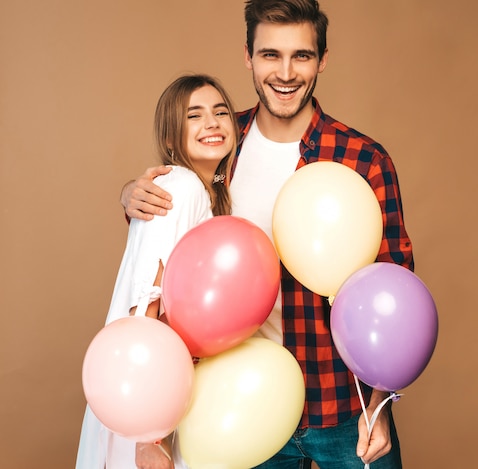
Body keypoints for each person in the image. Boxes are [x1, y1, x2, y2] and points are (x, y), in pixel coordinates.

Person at [121, 1, 413, 467]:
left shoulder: (363, 159)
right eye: (270, 55)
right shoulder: (218, 141)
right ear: (248, 57)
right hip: (239, 406)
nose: (286, 72)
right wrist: (132, 196)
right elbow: (173, 248)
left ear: (322, 59)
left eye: (302, 55)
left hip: (343, 408)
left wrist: (379, 402)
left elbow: (395, 286)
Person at [76, 74, 239, 469]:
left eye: (220, 112)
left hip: (159, 393)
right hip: (147, 401)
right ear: (170, 139)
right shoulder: (181, 188)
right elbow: (147, 304)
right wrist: (149, 437)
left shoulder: (208, 191)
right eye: (194, 116)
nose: (212, 123)